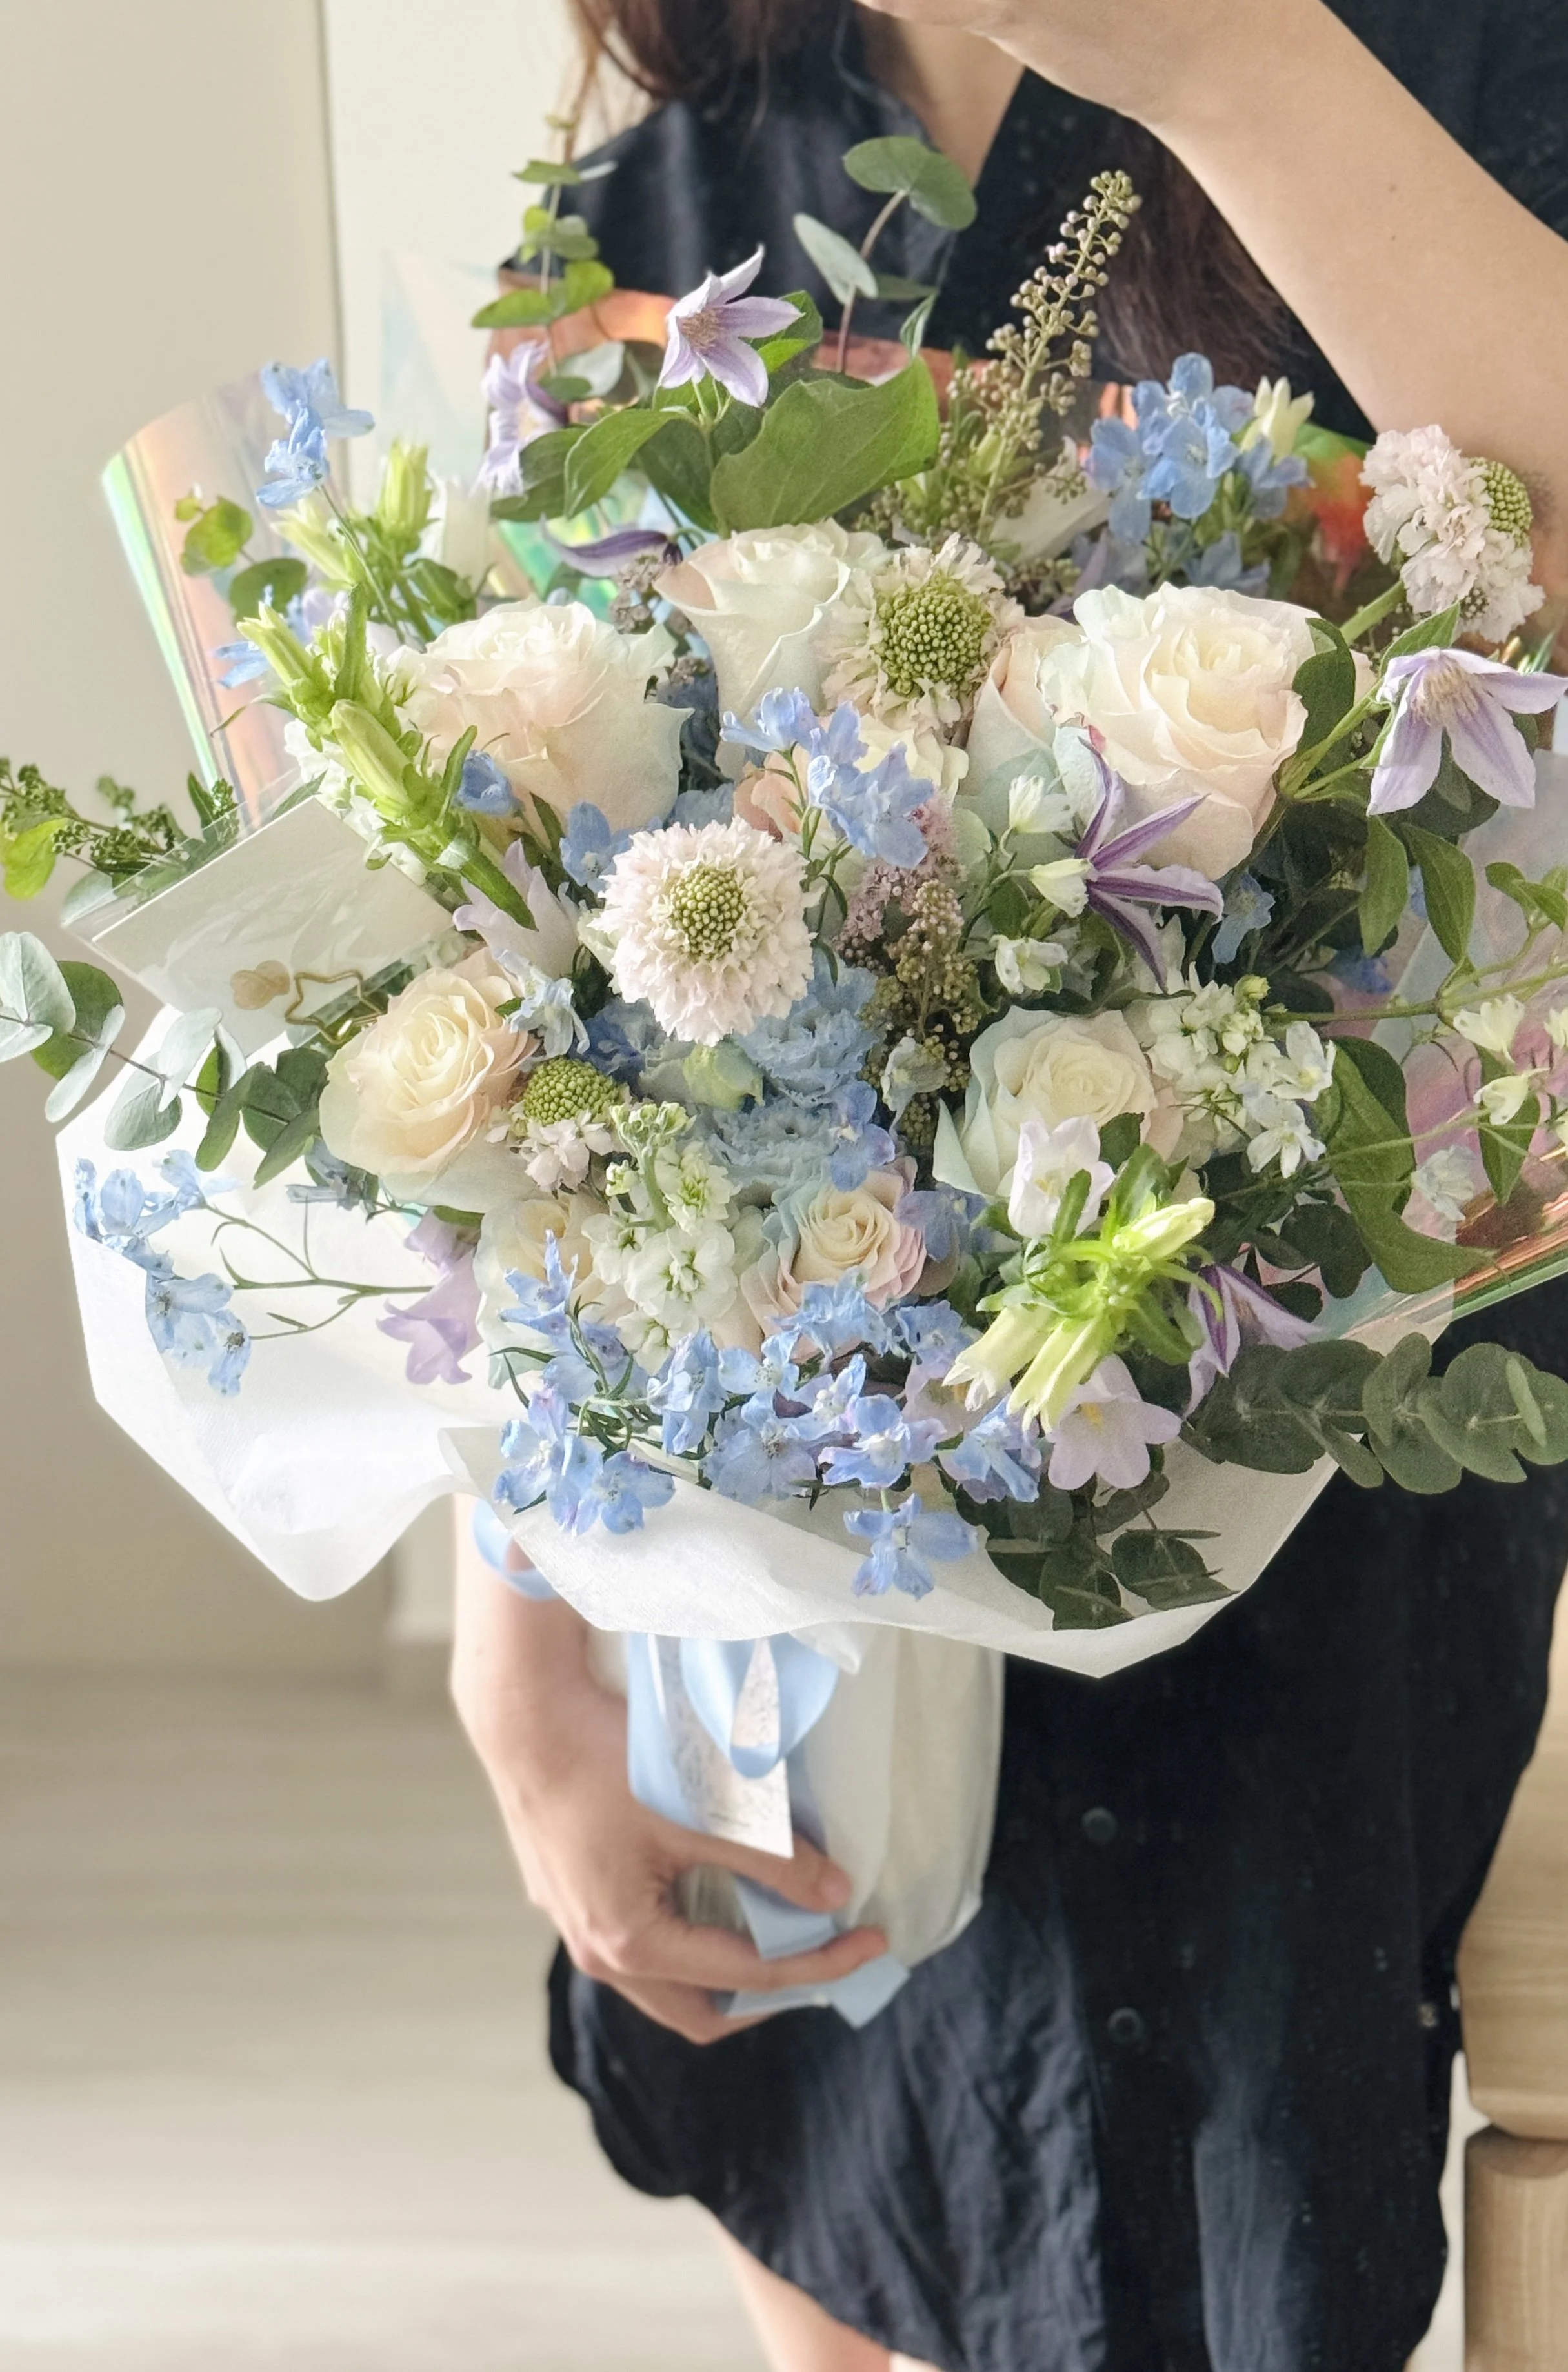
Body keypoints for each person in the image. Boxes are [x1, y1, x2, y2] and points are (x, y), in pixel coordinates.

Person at [450, 6, 1568, 2367]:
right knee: (822, 2082)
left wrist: (1233, 66)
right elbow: (534, 991)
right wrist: (518, 1636)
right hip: (807, 1500)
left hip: (1351, 1395)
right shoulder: (692, 185)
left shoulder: (1446, 62)